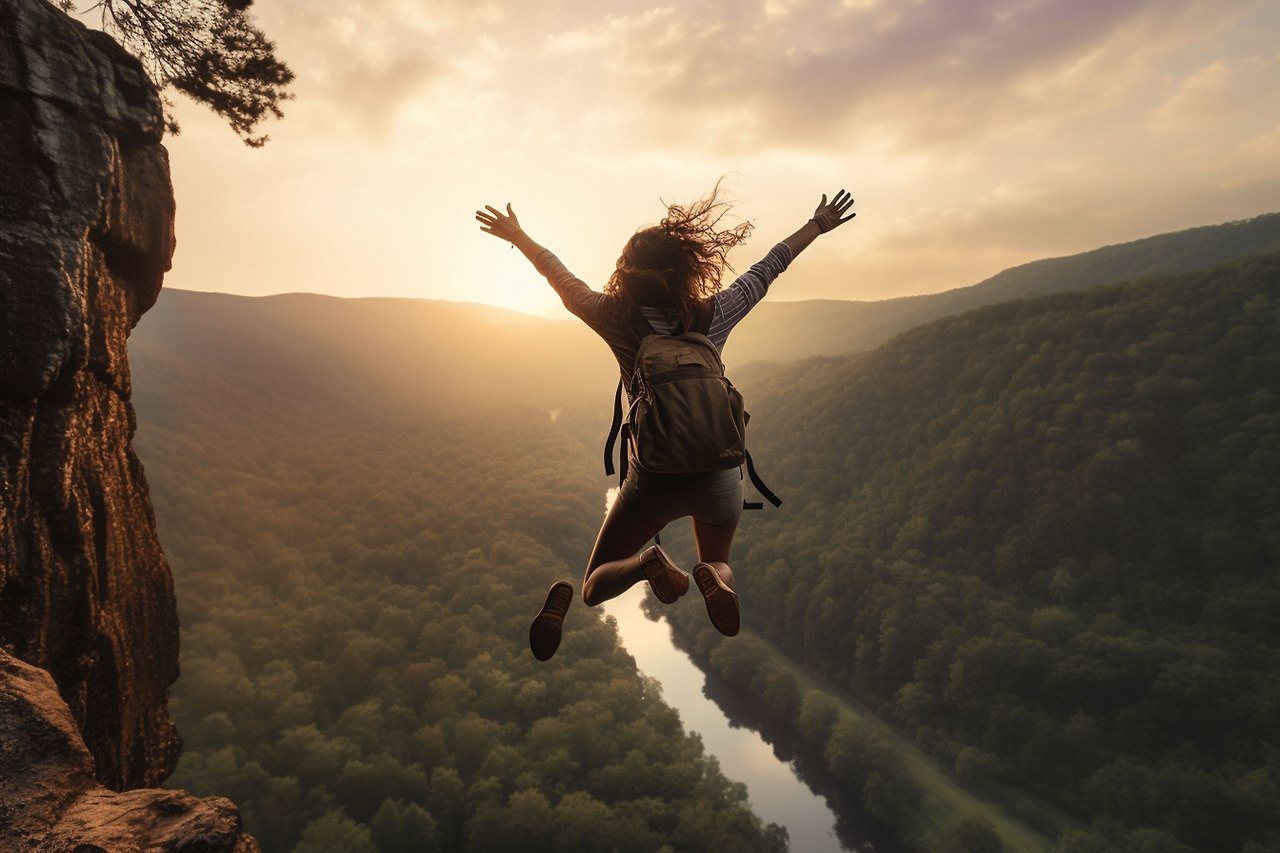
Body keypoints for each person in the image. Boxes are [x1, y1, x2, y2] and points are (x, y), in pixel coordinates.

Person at [475, 183, 856, 660]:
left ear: (625, 272)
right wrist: (818, 224)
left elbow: (559, 275)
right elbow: (769, 266)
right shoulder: (714, 312)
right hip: (718, 472)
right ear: (686, 268)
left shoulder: (614, 317)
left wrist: (518, 234)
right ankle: (714, 580)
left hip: (652, 479)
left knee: (593, 585)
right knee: (716, 562)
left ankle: (647, 564)